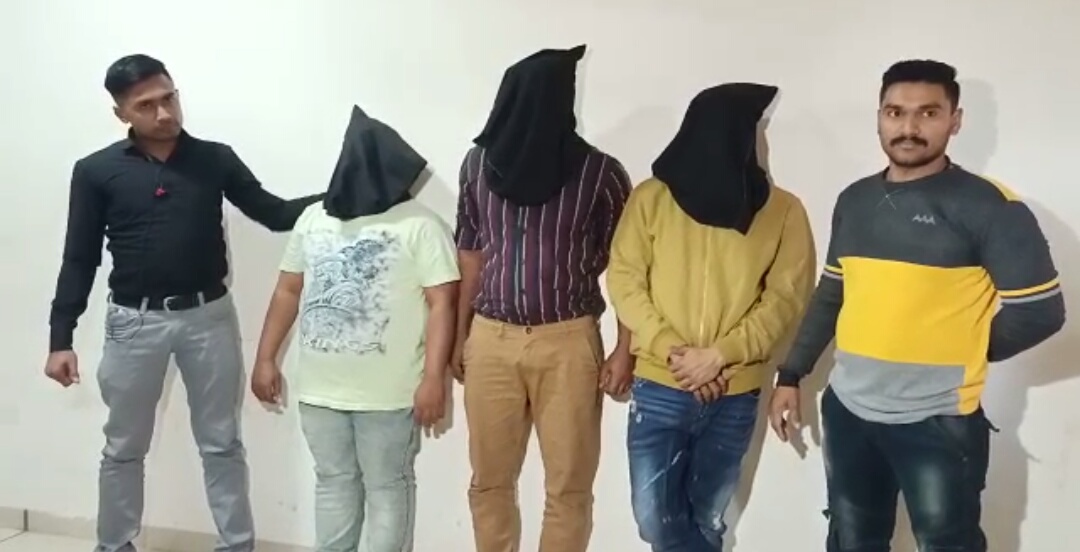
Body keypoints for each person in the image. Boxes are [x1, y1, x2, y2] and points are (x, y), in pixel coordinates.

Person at [768, 60, 1066, 552]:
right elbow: (832, 294)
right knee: (853, 541)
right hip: (848, 413)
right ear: (879, 117)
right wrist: (791, 374)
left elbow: (1040, 311)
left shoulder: (991, 207)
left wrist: (961, 347)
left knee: (946, 543)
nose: (908, 127)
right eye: (895, 112)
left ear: (955, 120)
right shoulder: (855, 200)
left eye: (928, 113)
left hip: (939, 422)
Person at [43, 54, 323, 552]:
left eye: (169, 98)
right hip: (133, 323)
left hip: (209, 319)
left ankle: (236, 545)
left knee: (222, 443)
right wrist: (60, 338)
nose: (164, 113)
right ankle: (114, 545)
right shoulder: (96, 171)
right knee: (123, 447)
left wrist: (347, 191)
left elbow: (276, 214)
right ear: (121, 113)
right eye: (146, 105)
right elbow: (79, 257)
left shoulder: (214, 159)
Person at [606, 82, 817, 551]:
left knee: (707, 520)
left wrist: (720, 355)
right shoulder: (651, 199)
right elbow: (624, 279)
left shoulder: (782, 211)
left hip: (733, 392)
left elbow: (785, 299)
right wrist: (675, 352)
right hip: (661, 384)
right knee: (654, 522)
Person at [451, 44, 634, 552]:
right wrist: (460, 336)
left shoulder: (601, 174)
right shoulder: (477, 165)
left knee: (569, 489)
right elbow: (470, 255)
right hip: (491, 339)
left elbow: (628, 268)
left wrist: (626, 348)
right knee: (489, 482)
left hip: (568, 342)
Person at [251, 105, 458, 552]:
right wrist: (265, 357)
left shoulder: (422, 226)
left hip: (390, 393)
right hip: (320, 391)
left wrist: (433, 378)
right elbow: (287, 290)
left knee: (387, 487)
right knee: (333, 482)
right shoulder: (314, 219)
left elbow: (443, 303)